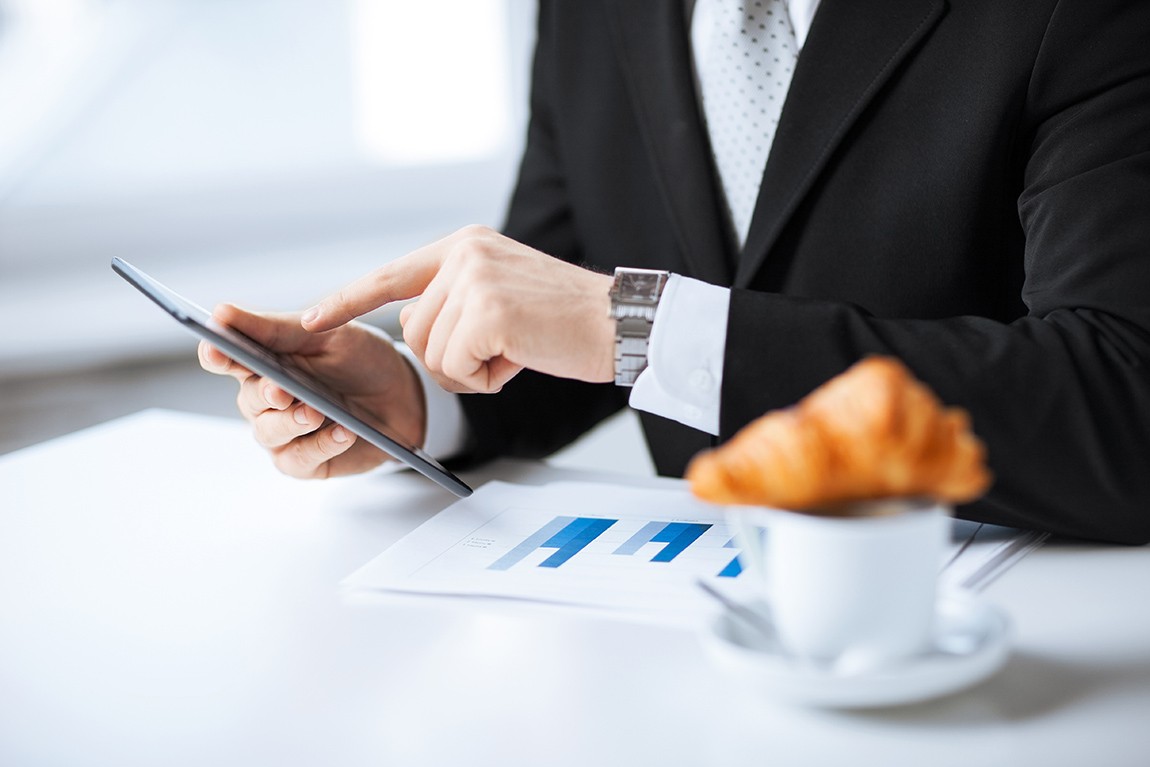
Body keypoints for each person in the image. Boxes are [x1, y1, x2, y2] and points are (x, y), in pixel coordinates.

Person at [200, 0, 1150, 545]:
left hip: (1004, 646)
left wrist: (639, 324)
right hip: (689, 647)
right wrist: (415, 389)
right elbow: (562, 296)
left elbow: (1121, 400)